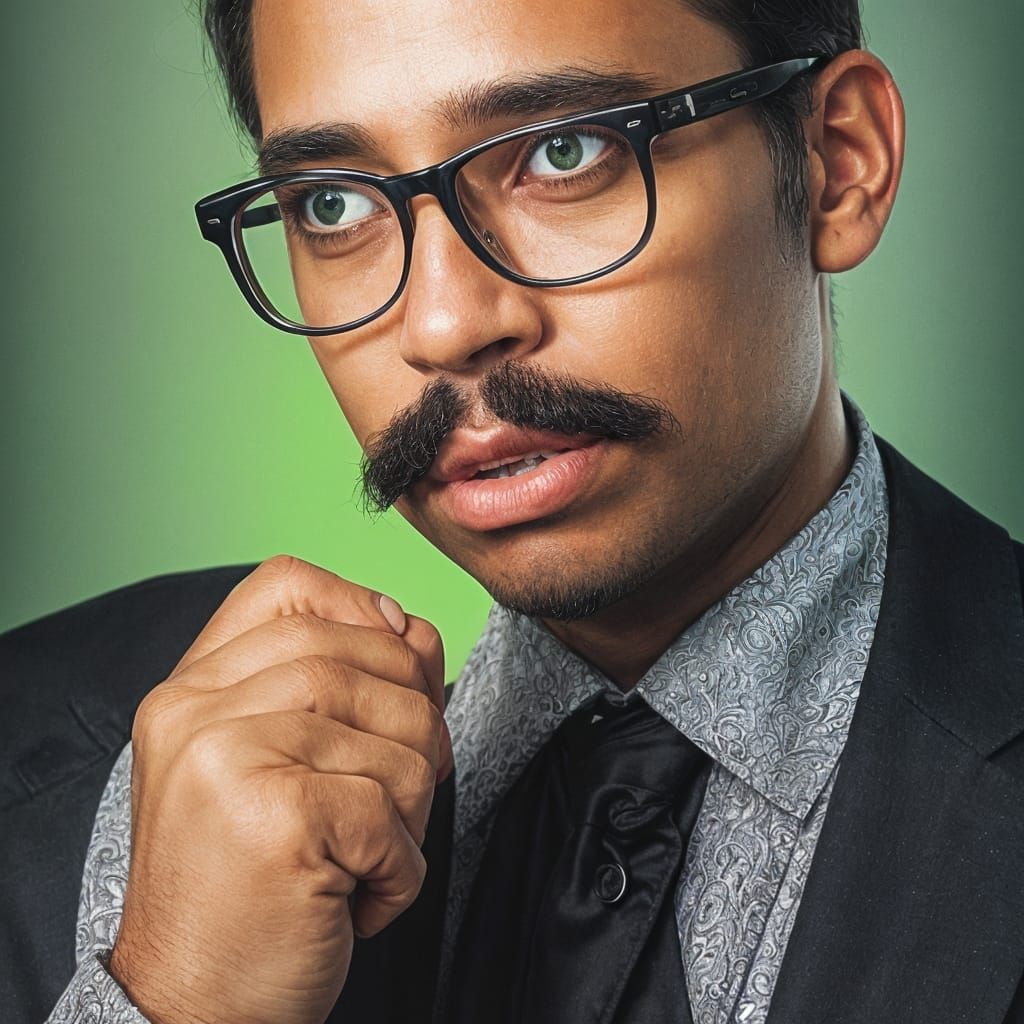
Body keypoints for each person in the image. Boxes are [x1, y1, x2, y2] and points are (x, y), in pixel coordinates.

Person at [2, 0, 1022, 1021]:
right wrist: (173, 997)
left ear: (837, 161)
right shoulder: (58, 796)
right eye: (332, 206)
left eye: (563, 151)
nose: (444, 324)